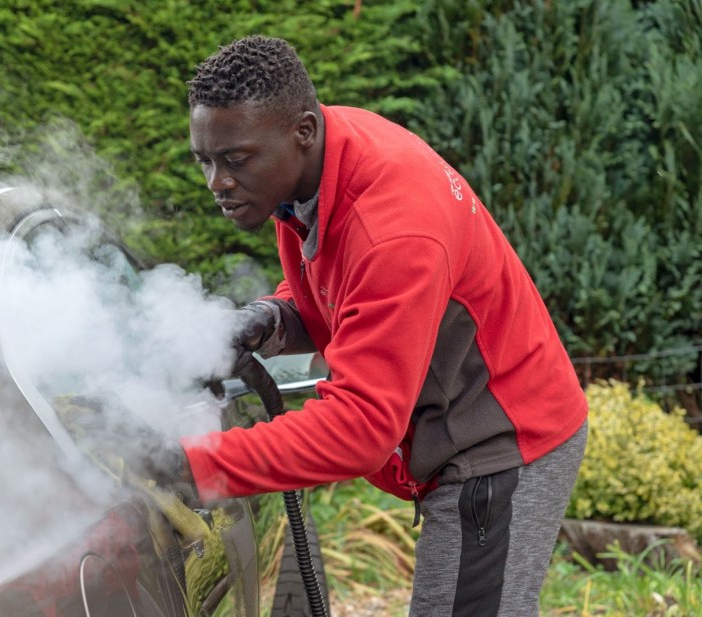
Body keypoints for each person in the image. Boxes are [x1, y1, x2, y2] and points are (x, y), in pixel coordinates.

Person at [167, 35, 588, 617]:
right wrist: (274, 317)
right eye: (205, 160)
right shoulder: (322, 160)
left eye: (235, 160)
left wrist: (189, 464)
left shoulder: (396, 227)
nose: (217, 181)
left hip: (501, 441)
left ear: (303, 132)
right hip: (469, 423)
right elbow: (351, 287)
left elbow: (361, 427)